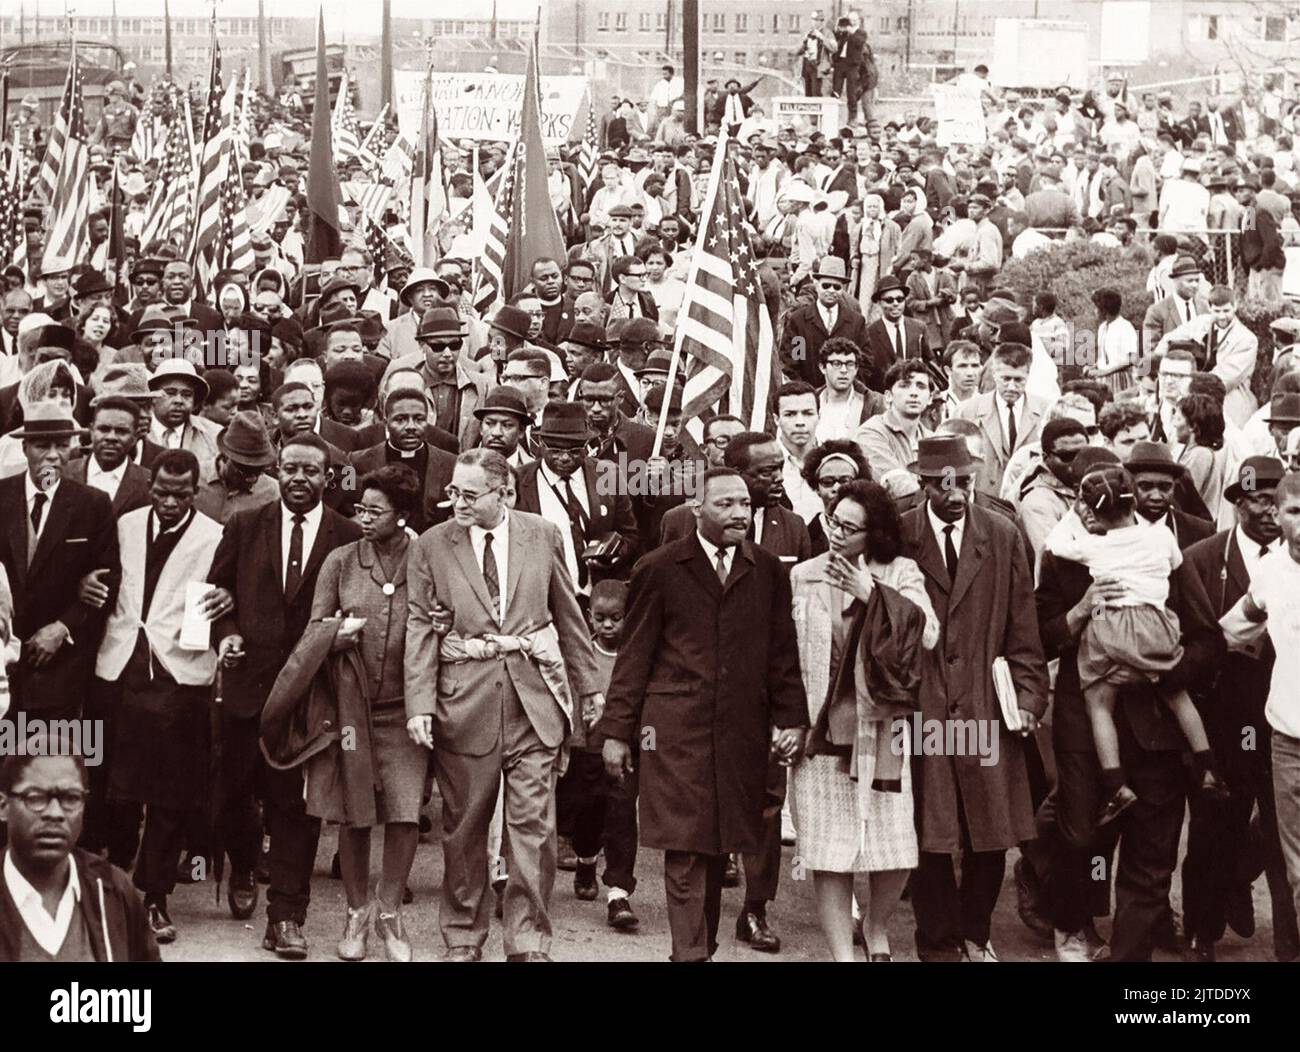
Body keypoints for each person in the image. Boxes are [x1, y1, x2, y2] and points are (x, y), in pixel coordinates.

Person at [599, 467, 807, 962]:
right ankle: (689, 955)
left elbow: (783, 654)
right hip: (675, 732)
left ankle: (700, 949)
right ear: (697, 509)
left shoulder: (769, 571)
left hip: (742, 732)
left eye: (745, 505)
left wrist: (792, 719)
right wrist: (616, 732)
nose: (739, 514)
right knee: (687, 846)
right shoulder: (659, 567)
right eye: (726, 504)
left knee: (720, 846)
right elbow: (635, 657)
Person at [405, 449, 602, 961]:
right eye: (453, 492)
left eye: (470, 495)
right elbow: (421, 627)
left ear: (505, 493)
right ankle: (464, 936)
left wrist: (590, 687)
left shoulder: (543, 534)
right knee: (465, 828)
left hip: (534, 703)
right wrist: (420, 704)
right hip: (464, 704)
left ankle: (528, 941)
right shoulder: (431, 545)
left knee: (533, 829)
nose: (458, 503)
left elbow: (567, 614)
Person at [204, 433, 364, 958]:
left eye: (311, 471)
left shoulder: (347, 537)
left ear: (328, 478)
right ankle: (244, 864)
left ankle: (286, 918)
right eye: (290, 468)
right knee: (232, 796)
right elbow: (217, 593)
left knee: (296, 808)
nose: (299, 478)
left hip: (311, 695)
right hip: (248, 689)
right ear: (278, 468)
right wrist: (225, 632)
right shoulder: (246, 524)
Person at [901, 435, 1049, 961]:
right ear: (923, 483)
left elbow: (1022, 627)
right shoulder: (898, 534)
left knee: (990, 830)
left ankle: (974, 931)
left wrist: (1030, 697)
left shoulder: (1002, 534)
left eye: (965, 481)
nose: (957, 493)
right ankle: (938, 943)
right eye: (945, 484)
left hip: (987, 702)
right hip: (922, 706)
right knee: (931, 832)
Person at [789, 480, 938, 961]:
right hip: (821, 725)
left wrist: (872, 592)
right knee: (828, 850)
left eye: (851, 528)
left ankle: (875, 924)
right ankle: (842, 956)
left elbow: (929, 634)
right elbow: (783, 654)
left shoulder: (900, 571)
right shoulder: (805, 575)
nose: (837, 534)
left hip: (881, 727)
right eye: (834, 521)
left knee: (894, 847)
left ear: (875, 534)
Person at [1043, 465, 1229, 825]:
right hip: (1157, 629)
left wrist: (1076, 518)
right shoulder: (1162, 540)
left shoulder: (1093, 547)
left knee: (1099, 703)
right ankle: (1208, 765)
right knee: (1180, 700)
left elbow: (1057, 543)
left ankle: (1117, 786)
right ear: (1133, 503)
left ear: (1088, 509)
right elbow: (1043, 636)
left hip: (1111, 635)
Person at [88, 449, 222, 945]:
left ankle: (155, 897)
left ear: (197, 490)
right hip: (120, 665)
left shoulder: (214, 536)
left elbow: (223, 593)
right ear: (150, 486)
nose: (169, 502)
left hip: (178, 672)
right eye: (161, 492)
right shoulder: (125, 524)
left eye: (181, 494)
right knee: (116, 787)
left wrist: (224, 601)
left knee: (169, 792)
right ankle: (117, 885)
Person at [304, 465, 427, 962]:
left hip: (408, 709)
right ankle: (356, 913)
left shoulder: (427, 558)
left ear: (402, 516)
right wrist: (335, 636)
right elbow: (313, 630)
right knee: (356, 814)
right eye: (362, 508)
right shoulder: (340, 561)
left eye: (376, 511)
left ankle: (390, 913)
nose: (365, 518)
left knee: (404, 813)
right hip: (351, 708)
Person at [1182, 457, 1300, 962]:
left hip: (1281, 719)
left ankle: (1287, 944)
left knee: (1280, 840)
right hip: (1228, 716)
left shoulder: (1285, 560)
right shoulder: (1204, 557)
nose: (1269, 511)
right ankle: (1201, 929)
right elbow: (1212, 635)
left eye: (1279, 500)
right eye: (1259, 499)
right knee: (1215, 822)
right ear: (1238, 502)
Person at [1220, 472, 1300, 955]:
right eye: (1295, 511)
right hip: (1288, 742)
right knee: (1298, 867)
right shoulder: (1271, 573)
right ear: (1278, 513)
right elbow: (1233, 627)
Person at [0, 402, 117, 721]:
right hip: (2, 661)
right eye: (42, 445)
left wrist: (63, 626)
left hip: (59, 668)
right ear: (24, 448)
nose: (53, 455)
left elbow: (108, 582)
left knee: (47, 760)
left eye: (62, 445)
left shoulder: (92, 505)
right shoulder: (2, 496)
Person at [0, 750, 160, 962]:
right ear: (3, 807)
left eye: (71, 798)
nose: (55, 813)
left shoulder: (113, 891)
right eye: (35, 797)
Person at [800, 440, 871, 556]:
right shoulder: (805, 535)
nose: (837, 488)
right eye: (827, 482)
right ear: (817, 488)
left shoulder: (871, 532)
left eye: (845, 481)